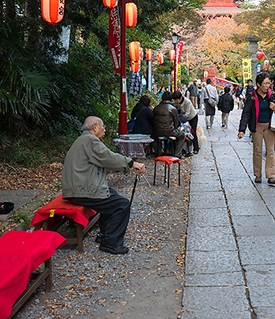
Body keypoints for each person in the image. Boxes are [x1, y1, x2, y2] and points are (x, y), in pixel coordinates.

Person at [62, 116, 146, 255]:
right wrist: (132, 163)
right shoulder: (90, 140)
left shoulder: (82, 140)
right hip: (81, 190)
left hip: (77, 187)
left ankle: (105, 235)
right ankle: (111, 243)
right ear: (94, 127)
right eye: (103, 127)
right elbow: (108, 157)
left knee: (111, 195)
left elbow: (104, 160)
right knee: (122, 204)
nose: (105, 130)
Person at [238, 73, 275, 186]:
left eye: (268, 83)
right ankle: (258, 175)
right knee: (258, 151)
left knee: (270, 151)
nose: (267, 86)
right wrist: (242, 129)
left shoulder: (272, 95)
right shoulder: (252, 97)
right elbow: (246, 113)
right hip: (256, 126)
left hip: (269, 126)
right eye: (265, 83)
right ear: (258, 85)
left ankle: (271, 176)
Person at [152, 90, 185, 156]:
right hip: (170, 131)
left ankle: (157, 153)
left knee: (153, 136)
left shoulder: (156, 108)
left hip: (157, 131)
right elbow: (176, 123)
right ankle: (177, 154)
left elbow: (153, 120)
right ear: (171, 99)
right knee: (182, 135)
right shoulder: (173, 109)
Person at [172, 90, 200, 155]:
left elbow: (187, 113)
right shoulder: (176, 103)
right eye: (174, 100)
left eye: (176, 100)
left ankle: (196, 148)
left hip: (192, 117)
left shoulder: (187, 102)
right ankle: (186, 149)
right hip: (183, 118)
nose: (175, 102)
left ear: (180, 98)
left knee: (192, 132)